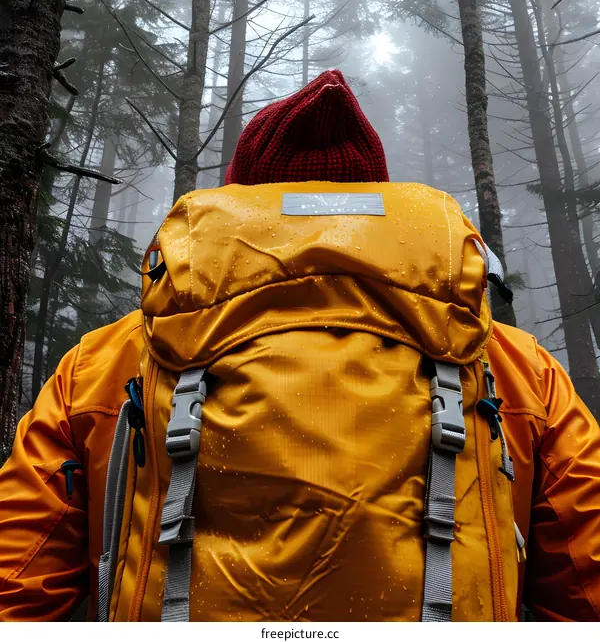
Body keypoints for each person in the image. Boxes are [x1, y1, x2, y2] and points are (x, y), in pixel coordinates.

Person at [0, 70, 599, 622]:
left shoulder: (104, 365)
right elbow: (586, 581)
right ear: (381, 209)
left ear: (241, 199)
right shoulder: (517, 367)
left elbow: (15, 585)